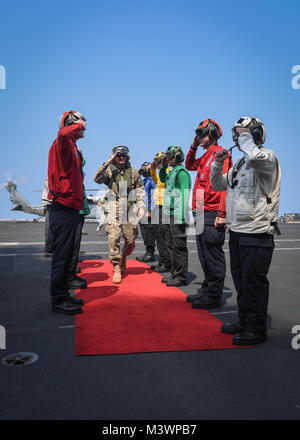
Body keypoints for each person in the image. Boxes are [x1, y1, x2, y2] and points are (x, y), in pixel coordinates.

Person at [210, 116, 281, 345]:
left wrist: (246, 136)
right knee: (241, 281)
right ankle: (244, 321)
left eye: (243, 135)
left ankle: (256, 329)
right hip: (238, 231)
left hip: (257, 233)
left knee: (254, 283)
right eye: (237, 135)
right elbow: (218, 185)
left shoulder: (266, 157)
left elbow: (255, 156)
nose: (239, 139)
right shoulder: (240, 164)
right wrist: (218, 163)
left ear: (255, 135)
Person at [185, 119, 230, 309]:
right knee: (204, 255)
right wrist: (193, 147)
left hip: (213, 213)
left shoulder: (220, 155)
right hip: (201, 211)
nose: (199, 137)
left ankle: (214, 296)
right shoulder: (204, 157)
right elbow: (189, 164)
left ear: (211, 134)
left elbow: (224, 187)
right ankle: (207, 289)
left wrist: (222, 213)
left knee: (213, 255)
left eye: (201, 134)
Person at [47, 110, 87, 314]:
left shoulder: (72, 147)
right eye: (79, 124)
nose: (84, 127)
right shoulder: (62, 143)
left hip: (70, 207)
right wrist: (79, 123)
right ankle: (58, 299)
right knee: (62, 256)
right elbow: (62, 133)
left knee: (67, 254)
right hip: (63, 207)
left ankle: (63, 294)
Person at [94, 146, 145, 284]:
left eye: (123, 156)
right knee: (113, 238)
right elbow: (97, 178)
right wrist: (109, 161)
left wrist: (141, 207)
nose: (121, 158)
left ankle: (123, 256)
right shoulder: (110, 170)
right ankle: (116, 267)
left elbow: (140, 190)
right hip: (113, 207)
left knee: (130, 241)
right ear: (114, 157)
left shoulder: (133, 172)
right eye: (118, 156)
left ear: (127, 157)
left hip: (129, 208)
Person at [159, 146, 191, 287]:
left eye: (170, 157)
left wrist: (180, 216)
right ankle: (174, 273)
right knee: (170, 245)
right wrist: (163, 165)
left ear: (177, 157)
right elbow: (162, 178)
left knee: (178, 247)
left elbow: (185, 194)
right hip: (168, 213)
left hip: (177, 214)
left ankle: (181, 276)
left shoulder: (182, 173)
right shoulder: (172, 172)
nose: (168, 159)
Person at [67, 156, 90, 290]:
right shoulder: (74, 173)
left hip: (78, 210)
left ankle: (71, 272)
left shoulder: (78, 173)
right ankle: (69, 276)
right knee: (73, 245)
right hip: (75, 210)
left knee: (75, 245)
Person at [149, 152, 172, 273]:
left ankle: (166, 263)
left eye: (157, 161)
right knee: (158, 235)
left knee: (163, 237)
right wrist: (152, 170)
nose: (156, 164)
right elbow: (155, 179)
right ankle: (163, 261)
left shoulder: (168, 172)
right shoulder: (161, 173)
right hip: (158, 206)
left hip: (164, 206)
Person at [136, 162, 156, 263]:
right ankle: (148, 251)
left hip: (149, 211)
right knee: (145, 232)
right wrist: (138, 175)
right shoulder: (144, 180)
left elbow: (154, 195)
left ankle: (150, 253)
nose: (142, 171)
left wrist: (151, 210)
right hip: (143, 210)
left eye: (144, 169)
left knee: (149, 233)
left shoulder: (152, 179)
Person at [42, 178, 53, 257]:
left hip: (48, 202)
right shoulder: (52, 176)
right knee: (50, 227)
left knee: (49, 227)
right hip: (51, 202)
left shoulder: (50, 174)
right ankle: (48, 249)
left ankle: (49, 248)